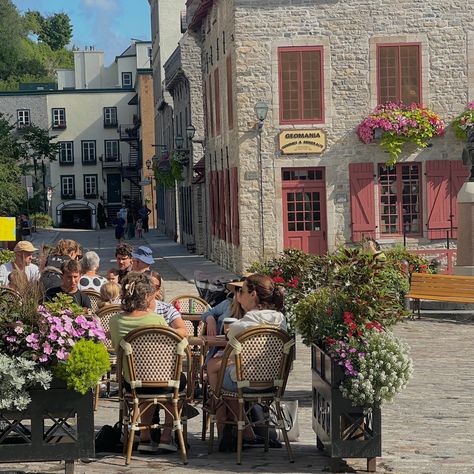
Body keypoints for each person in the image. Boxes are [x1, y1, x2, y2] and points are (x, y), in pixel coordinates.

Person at [206, 274, 287, 447]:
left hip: (247, 380)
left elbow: (231, 338)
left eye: (241, 291)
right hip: (273, 380)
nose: (238, 295)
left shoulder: (243, 324)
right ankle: (244, 431)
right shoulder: (281, 320)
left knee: (213, 367)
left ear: (253, 294)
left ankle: (225, 423)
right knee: (225, 369)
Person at [109, 272, 181, 453]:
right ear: (147, 295)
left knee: (142, 382)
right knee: (179, 383)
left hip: (132, 383)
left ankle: (145, 438)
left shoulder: (115, 321)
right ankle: (165, 437)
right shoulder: (156, 320)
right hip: (163, 382)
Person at [145, 270, 188, 338]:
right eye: (145, 286)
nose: (148, 290)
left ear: (158, 290)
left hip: (162, 346)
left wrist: (164, 333)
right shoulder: (130, 308)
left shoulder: (167, 309)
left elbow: (184, 331)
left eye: (153, 287)